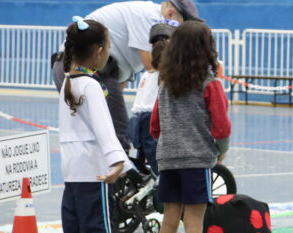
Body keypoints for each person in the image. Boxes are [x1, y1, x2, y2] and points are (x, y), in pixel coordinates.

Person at [149, 21, 232, 233]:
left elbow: (154, 127)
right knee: (194, 223)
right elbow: (221, 126)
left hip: (168, 159)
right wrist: (220, 154)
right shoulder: (210, 83)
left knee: (169, 220)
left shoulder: (164, 82)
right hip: (196, 161)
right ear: (206, 48)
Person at [53, 0, 203, 151]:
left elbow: (125, 66)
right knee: (117, 130)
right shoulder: (150, 18)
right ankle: (121, 170)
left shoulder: (150, 17)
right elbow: (151, 64)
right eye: (181, 26)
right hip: (82, 68)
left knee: (101, 132)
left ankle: (113, 167)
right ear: (170, 14)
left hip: (86, 69)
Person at [58, 17, 130, 233]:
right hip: (94, 175)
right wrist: (118, 162)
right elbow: (104, 128)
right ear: (99, 51)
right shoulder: (91, 86)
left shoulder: (67, 82)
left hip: (72, 174)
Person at [129, 21, 178, 176]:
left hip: (135, 123)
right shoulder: (168, 76)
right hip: (151, 121)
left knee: (144, 162)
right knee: (161, 168)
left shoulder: (147, 74)